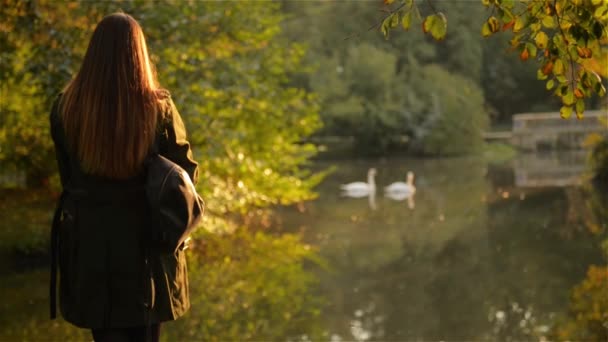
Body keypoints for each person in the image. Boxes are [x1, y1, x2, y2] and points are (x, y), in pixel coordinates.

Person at [49, 12, 198, 342]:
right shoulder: (158, 109)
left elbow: (69, 181)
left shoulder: (65, 109)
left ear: (93, 54)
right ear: (138, 52)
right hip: (147, 253)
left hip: (90, 251)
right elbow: (183, 178)